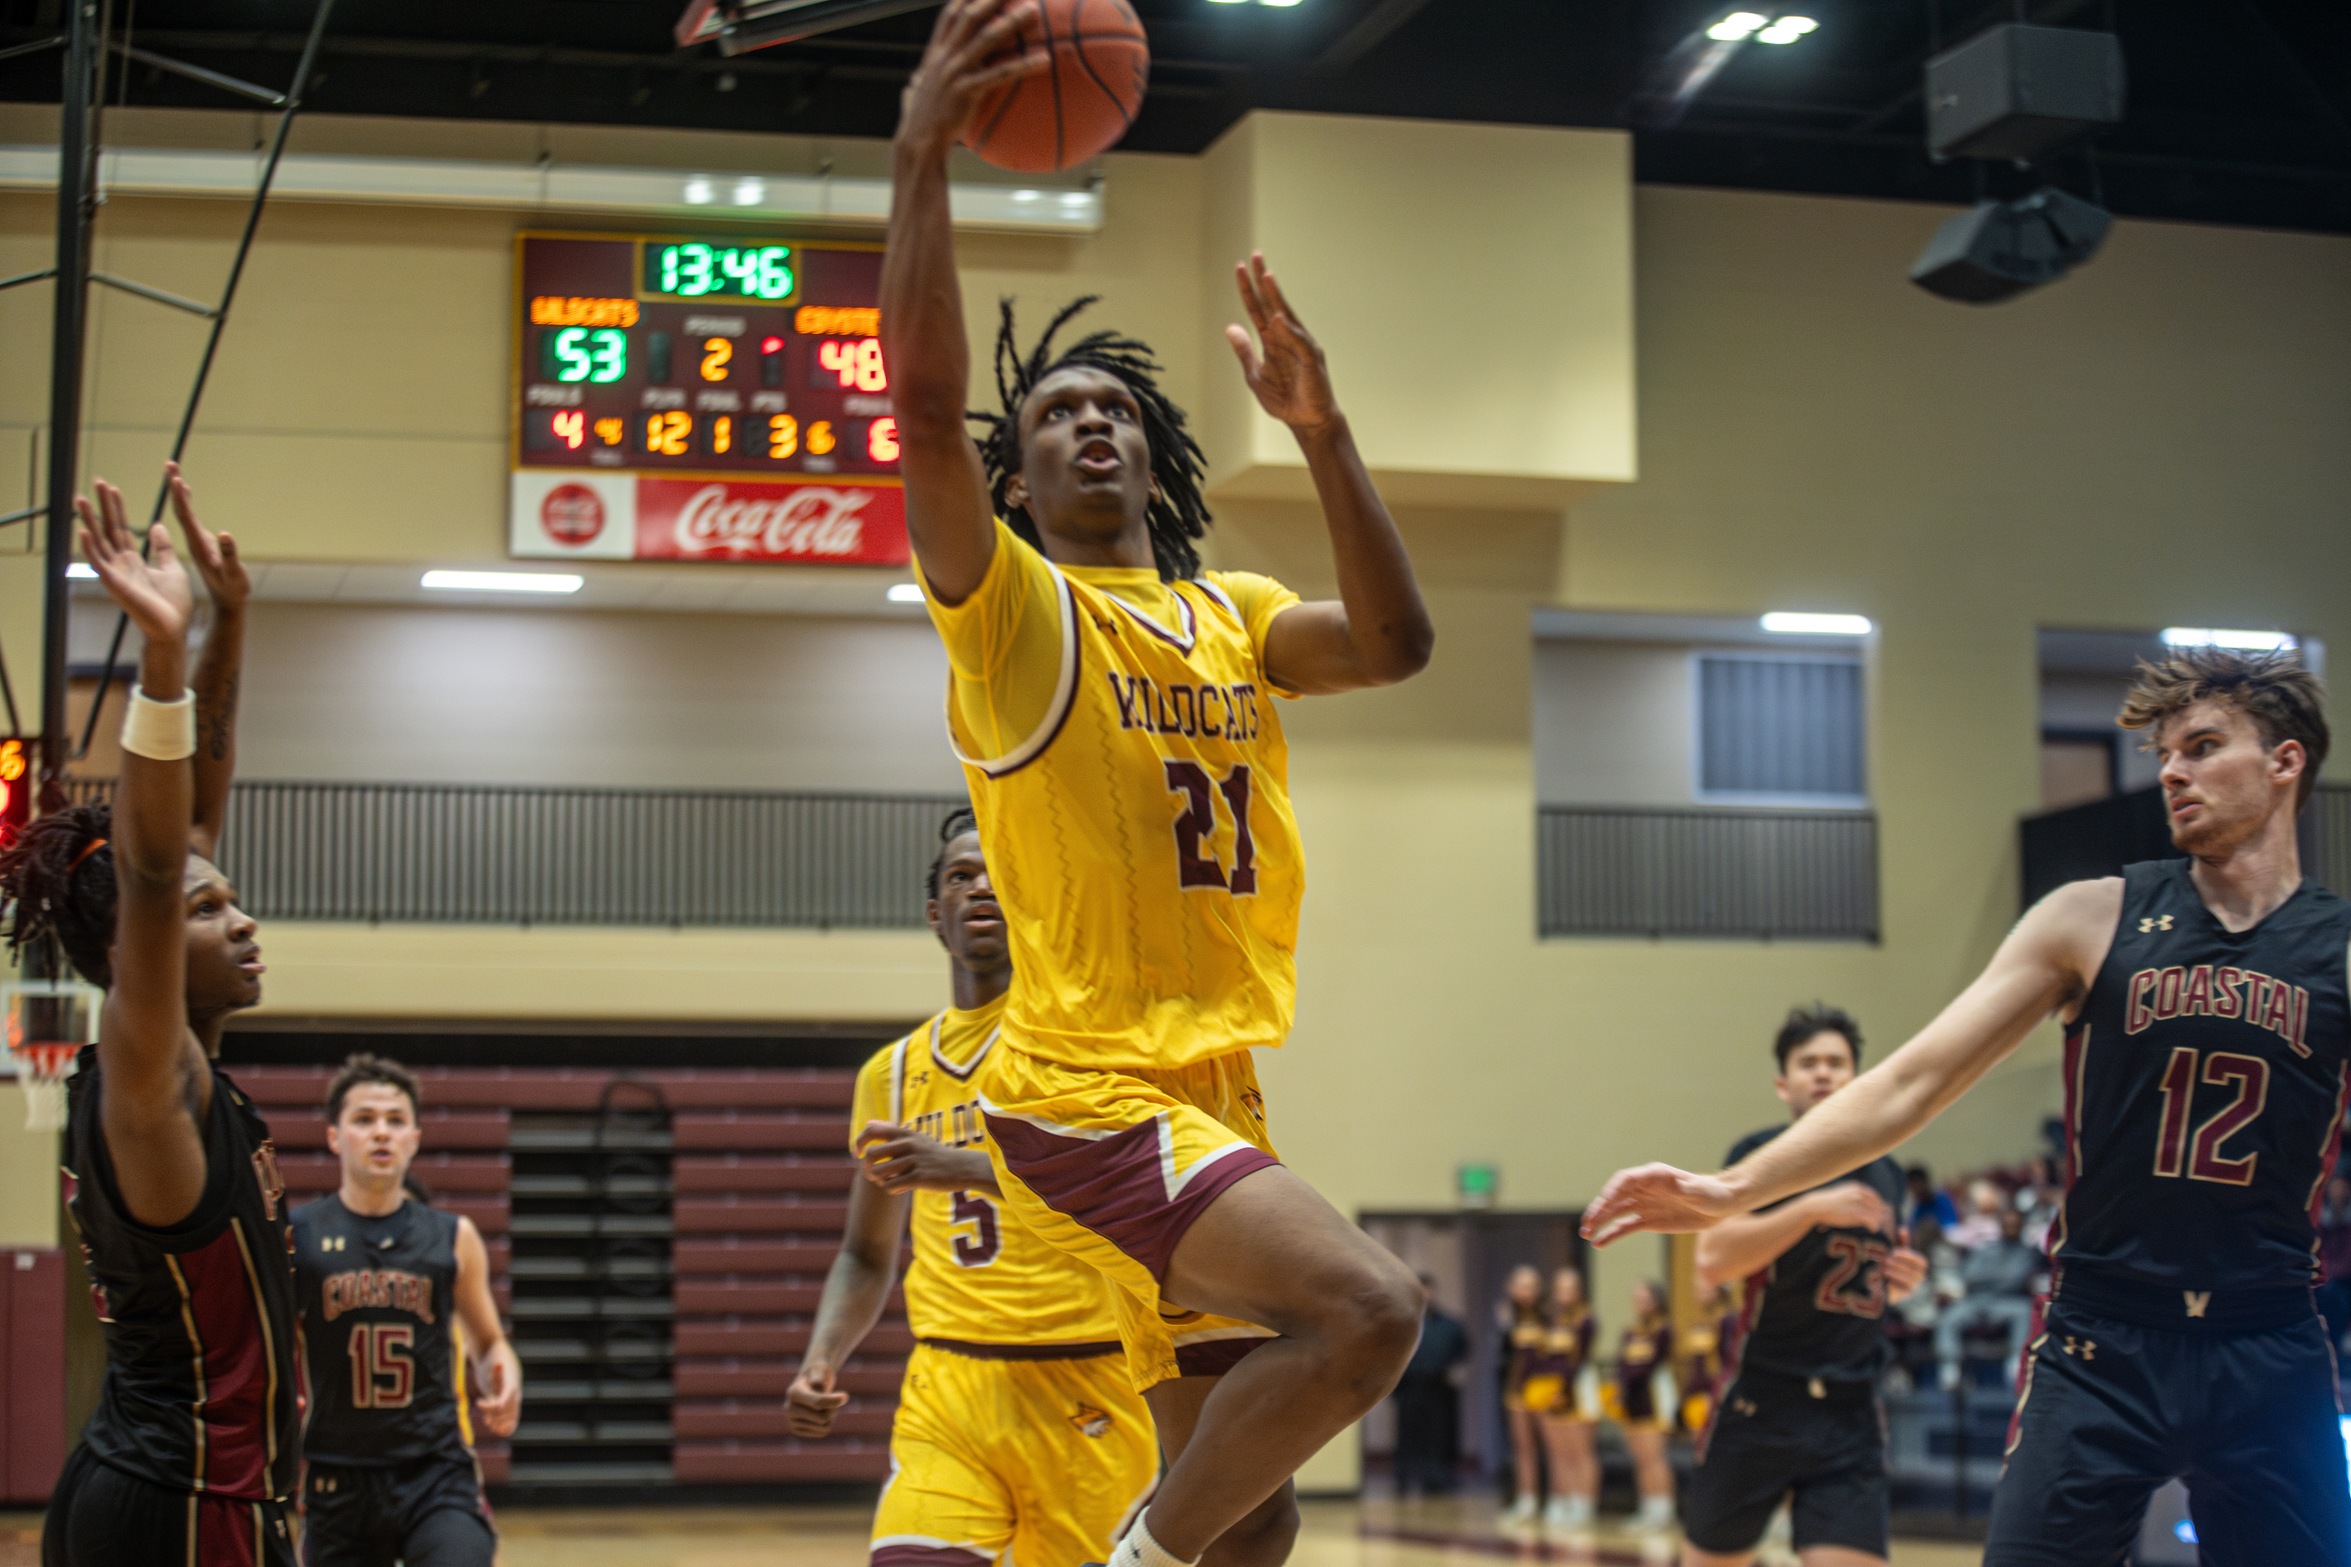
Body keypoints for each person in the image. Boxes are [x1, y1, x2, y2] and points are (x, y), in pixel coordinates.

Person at [880, 7, 1437, 1567]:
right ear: (1015, 478)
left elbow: (1396, 643)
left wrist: (1324, 435)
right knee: (1368, 1307)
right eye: (1056, 411)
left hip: (1213, 1081)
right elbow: (921, 408)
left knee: (1250, 1523)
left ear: (1153, 447)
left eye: (1114, 405)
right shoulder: (1013, 615)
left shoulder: (1233, 615)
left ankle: (1168, 1542)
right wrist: (922, 154)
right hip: (1083, 1081)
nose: (1091, 422)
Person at [1585, 649, 2351, 1567]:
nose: (2171, 772)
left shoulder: (2336, 949)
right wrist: (1730, 1189)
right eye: (2162, 754)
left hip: (2266, 1341)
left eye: (2200, 746)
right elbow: (1911, 1081)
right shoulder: (2091, 916)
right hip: (2103, 1336)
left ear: (2285, 761)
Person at [1, 470, 300, 1565]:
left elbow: (191, 835)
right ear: (141, 947)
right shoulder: (147, 1077)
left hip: (171, 1488)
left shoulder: (167, 1067)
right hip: (183, 1503)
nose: (245, 919)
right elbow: (158, 861)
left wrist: (228, 627)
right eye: (210, 913)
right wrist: (162, 657)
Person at [786, 811, 1157, 1567]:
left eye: (1000, 874)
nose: (981, 886)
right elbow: (864, 1253)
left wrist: (966, 1166)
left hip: (1086, 1376)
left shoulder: (1088, 1044)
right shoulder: (888, 1075)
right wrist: (822, 1356)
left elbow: (1140, 1185)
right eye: (961, 875)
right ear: (935, 914)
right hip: (948, 1381)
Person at [1672, 1005, 1925, 1567]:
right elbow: (1710, 1261)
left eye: (1836, 1062)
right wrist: (1810, 1209)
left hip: (1850, 1410)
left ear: (1857, 1079)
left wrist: (1903, 1281)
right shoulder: (1759, 1157)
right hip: (1763, 1398)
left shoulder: (1886, 1173)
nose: (1823, 1073)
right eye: (1808, 1063)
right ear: (1783, 1084)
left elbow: (1873, 1283)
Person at [292, 1054, 519, 1567]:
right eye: (364, 1120)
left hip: (434, 1472)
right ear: (334, 1136)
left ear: (415, 1138)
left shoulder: (452, 1237)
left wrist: (503, 1377)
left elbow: (488, 1344)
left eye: (396, 1121)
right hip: (337, 1475)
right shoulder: (298, 1237)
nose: (381, 1134)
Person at [1931, 1207, 2041, 1392]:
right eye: (2007, 1224)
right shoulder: (1988, 1248)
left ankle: (2015, 1364)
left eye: (2015, 1225)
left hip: (2007, 1302)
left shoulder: (2027, 1253)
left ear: (2022, 1226)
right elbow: (1967, 1275)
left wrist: (1986, 1279)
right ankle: (1950, 1368)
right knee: (1949, 1315)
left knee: (2025, 1310)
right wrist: (1993, 1279)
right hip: (1975, 1301)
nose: (2010, 1228)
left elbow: (2014, 1279)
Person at [1608, 1281, 1679, 1536]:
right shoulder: (1630, 1331)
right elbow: (1622, 1363)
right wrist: (1618, 1389)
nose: (1641, 1303)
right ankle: (1647, 1507)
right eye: (1637, 1298)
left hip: (1653, 1398)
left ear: (1656, 1300)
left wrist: (1626, 1381)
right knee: (1640, 1458)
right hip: (1632, 1400)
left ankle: (1663, 1510)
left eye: (1646, 1298)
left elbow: (1651, 1364)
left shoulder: (1664, 1329)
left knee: (1654, 1457)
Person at [1390, 1274, 1468, 1497]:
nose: (1425, 1296)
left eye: (1428, 1290)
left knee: (1439, 1435)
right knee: (1407, 1435)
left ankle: (1437, 1478)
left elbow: (1462, 1352)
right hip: (1409, 1387)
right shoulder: (1403, 1325)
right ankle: (1404, 1478)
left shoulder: (1450, 1325)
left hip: (1438, 1388)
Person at [1903, 1166, 1957, 1233]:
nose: (1913, 1191)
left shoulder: (1941, 1199)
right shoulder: (1919, 1206)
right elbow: (1911, 1227)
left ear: (1924, 1183)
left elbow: (1951, 1227)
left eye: (1914, 1186)